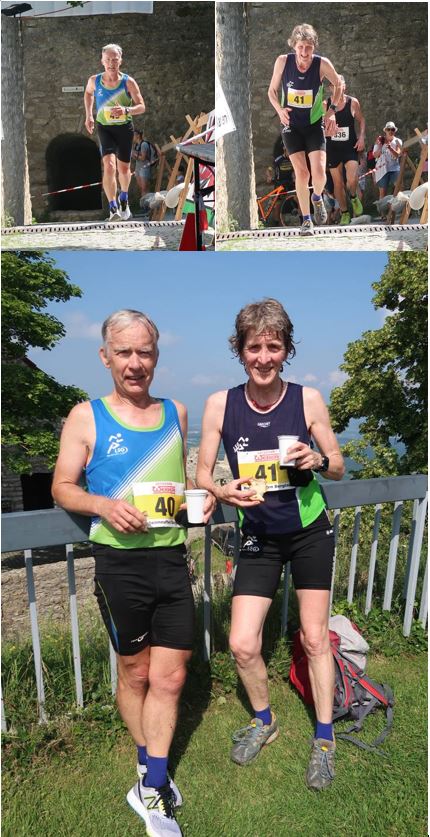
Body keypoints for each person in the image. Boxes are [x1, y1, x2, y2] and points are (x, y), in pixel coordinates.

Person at [52, 309, 215, 836]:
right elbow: (62, 486)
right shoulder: (86, 416)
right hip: (119, 564)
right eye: (124, 352)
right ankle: (148, 767)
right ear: (106, 357)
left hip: (171, 559)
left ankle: (153, 785)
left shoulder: (176, 412)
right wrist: (102, 505)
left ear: (156, 356)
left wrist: (200, 500)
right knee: (136, 674)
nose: (135, 363)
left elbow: (180, 485)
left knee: (172, 675)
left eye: (144, 352)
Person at [196, 298, 345, 791]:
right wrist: (223, 492)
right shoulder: (221, 404)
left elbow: (338, 466)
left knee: (314, 638)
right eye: (254, 347)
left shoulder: (308, 400)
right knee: (242, 643)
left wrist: (317, 460)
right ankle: (265, 720)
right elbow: (202, 474)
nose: (263, 358)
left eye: (274, 347)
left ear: (287, 350)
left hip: (309, 531)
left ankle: (324, 737)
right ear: (239, 350)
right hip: (258, 534)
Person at [268, 23, 344, 236]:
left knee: (319, 175)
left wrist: (332, 111)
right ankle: (307, 220)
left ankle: (317, 197)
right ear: (294, 46)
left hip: (314, 125)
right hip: (291, 125)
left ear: (314, 47)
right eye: (300, 47)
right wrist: (279, 110)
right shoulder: (283, 62)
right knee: (302, 173)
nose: (304, 52)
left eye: (308, 47)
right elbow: (272, 91)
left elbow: (339, 84)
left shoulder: (322, 64)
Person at [84, 44, 146, 221]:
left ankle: (123, 198)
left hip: (124, 128)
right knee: (109, 166)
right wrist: (89, 115)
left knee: (124, 169)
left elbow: (141, 106)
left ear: (120, 61)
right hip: (105, 127)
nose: (111, 63)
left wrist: (126, 110)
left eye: (115, 59)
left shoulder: (128, 82)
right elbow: (88, 94)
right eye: (108, 60)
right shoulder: (94, 80)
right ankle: (113, 207)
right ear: (102, 61)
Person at [325, 76, 366, 225]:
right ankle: (344, 212)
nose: (336, 87)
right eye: (333, 85)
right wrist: (328, 130)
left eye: (339, 84)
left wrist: (361, 137)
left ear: (344, 86)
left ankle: (353, 197)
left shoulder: (352, 102)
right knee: (338, 184)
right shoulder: (325, 105)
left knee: (352, 178)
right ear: (330, 88)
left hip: (350, 147)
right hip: (333, 149)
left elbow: (361, 120)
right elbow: (321, 126)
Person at [373, 121, 403, 199]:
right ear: (385, 130)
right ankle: (382, 207)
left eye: (392, 129)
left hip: (394, 168)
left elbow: (398, 155)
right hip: (382, 169)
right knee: (382, 193)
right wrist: (380, 146)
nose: (390, 131)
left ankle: (399, 206)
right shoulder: (380, 140)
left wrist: (390, 148)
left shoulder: (398, 141)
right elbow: (375, 155)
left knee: (399, 190)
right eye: (388, 129)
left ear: (395, 131)